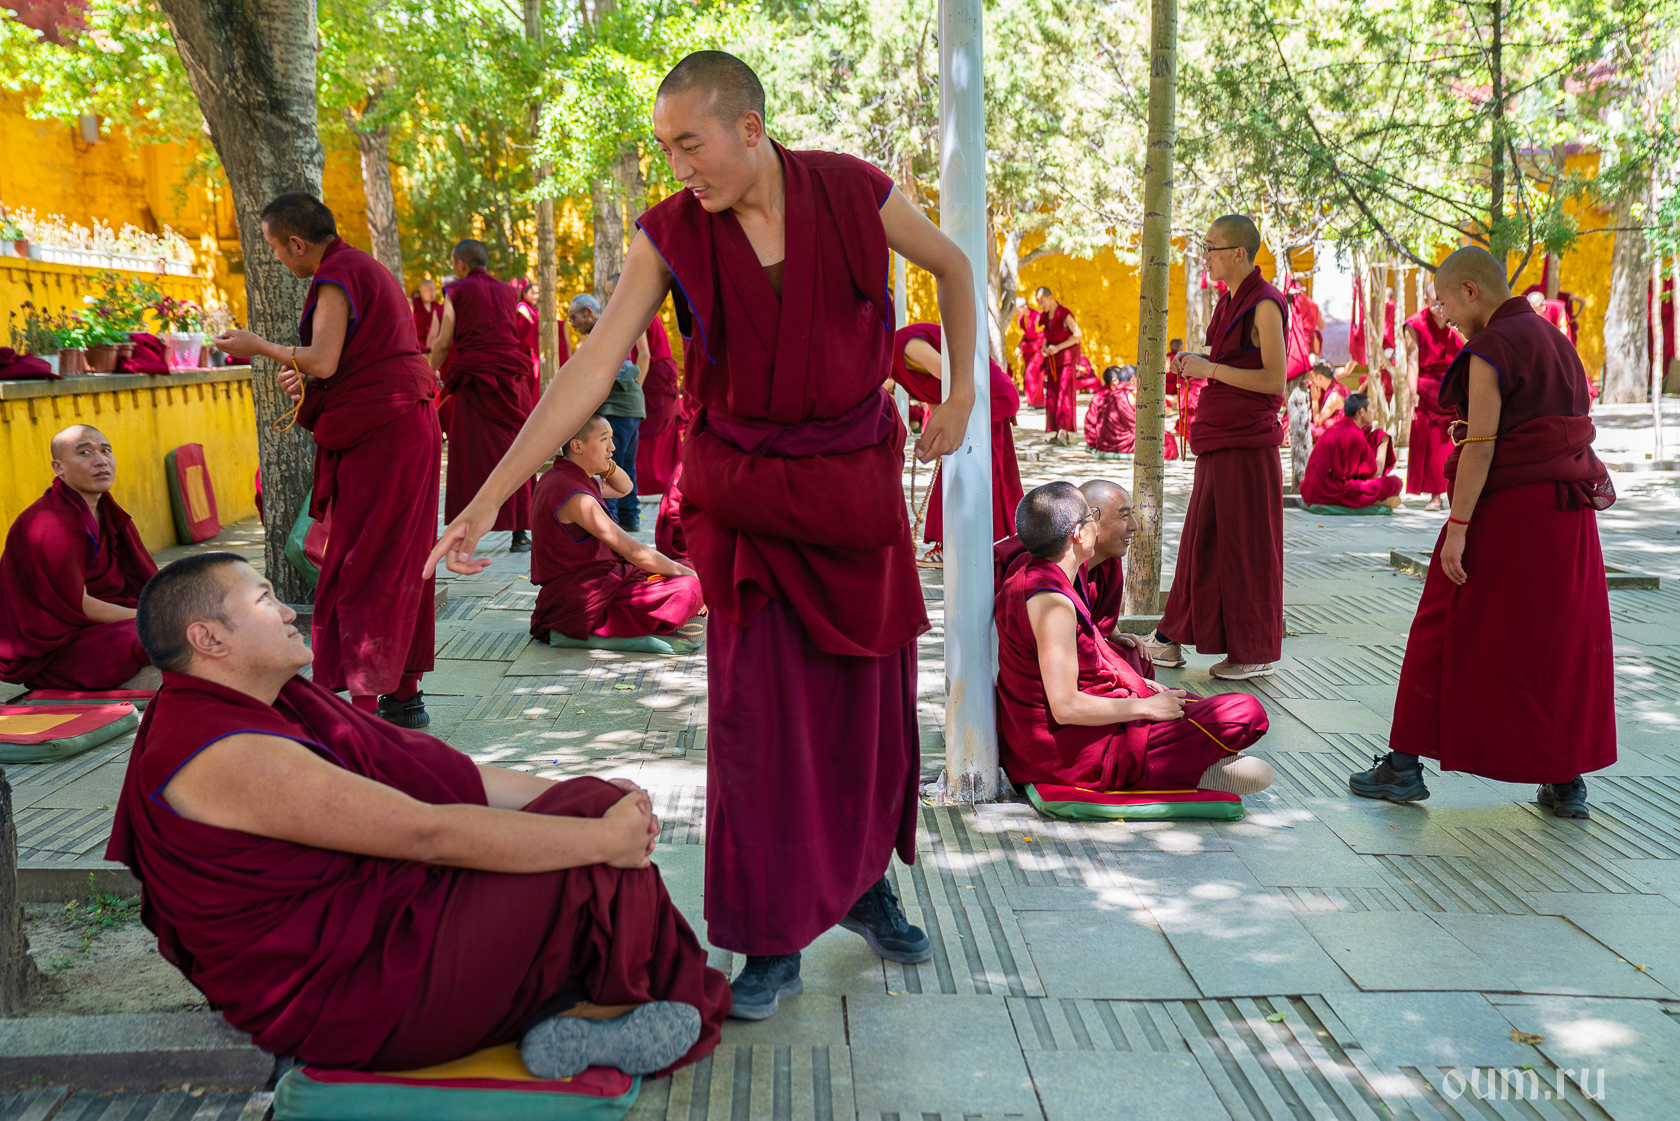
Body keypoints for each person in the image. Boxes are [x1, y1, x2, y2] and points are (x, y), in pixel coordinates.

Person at [428, 50, 982, 1022]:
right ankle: (770, 936)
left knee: (865, 712)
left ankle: (862, 883)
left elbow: (953, 264)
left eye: (690, 144)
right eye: (666, 149)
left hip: (852, 487)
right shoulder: (672, 234)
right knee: (758, 724)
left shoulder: (852, 189)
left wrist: (964, 388)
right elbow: (589, 369)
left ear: (750, 128)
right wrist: (486, 497)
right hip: (750, 495)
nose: (679, 167)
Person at [107, 553, 728, 1076]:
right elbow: (426, 833)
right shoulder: (224, 751)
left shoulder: (275, 701)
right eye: (266, 599)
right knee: (591, 851)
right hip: (357, 993)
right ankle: (608, 1007)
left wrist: (585, 795)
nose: (291, 611)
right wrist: (602, 842)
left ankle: (575, 1005)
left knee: (591, 805)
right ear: (208, 639)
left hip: (382, 916)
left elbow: (447, 780)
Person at [1350, 246, 1615, 817]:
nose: (1444, 317)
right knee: (1556, 640)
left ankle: (1402, 768)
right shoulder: (1559, 343)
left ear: (1471, 290)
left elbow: (1481, 445)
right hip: (1567, 520)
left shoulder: (1490, 348)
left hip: (1506, 513)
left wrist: (1459, 527)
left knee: (1441, 625)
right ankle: (1566, 781)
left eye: (1445, 302)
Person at [214, 193, 440, 728]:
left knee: (363, 561)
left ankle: (362, 708)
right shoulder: (362, 266)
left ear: (297, 243)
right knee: (400, 556)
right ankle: (403, 696)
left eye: (274, 248)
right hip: (403, 421)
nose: (276, 259)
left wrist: (258, 346)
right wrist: (311, 384)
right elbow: (350, 363)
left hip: (385, 434)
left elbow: (324, 359)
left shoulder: (337, 275)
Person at [995, 483, 1274, 796]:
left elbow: (1092, 647)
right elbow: (1065, 707)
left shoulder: (1046, 580)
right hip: (1072, 749)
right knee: (1246, 713)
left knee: (1180, 698)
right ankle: (1161, 769)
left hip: (1073, 733)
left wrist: (1135, 687)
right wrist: (1145, 708)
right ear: (1079, 533)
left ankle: (1175, 763)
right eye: (1091, 517)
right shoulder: (1052, 602)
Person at [1141, 214, 1287, 682]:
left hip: (1247, 445)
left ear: (1238, 253)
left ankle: (1253, 650)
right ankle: (1170, 637)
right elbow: (1231, 361)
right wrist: (1198, 360)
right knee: (1203, 540)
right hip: (1222, 438)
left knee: (1246, 544)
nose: (1205, 256)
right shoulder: (1228, 302)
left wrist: (1211, 371)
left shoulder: (1265, 304)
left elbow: (1275, 379)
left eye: (1211, 248)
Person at [0, 425, 159, 691]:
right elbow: (79, 604)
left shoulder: (107, 511)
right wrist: (149, 616)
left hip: (102, 625)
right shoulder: (49, 523)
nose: (101, 461)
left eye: (106, 451)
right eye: (85, 453)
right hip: (58, 644)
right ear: (58, 468)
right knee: (160, 633)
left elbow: (141, 579)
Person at [531, 415, 703, 652]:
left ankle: (661, 625)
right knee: (689, 586)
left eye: (611, 439)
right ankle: (586, 634)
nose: (612, 447)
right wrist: (693, 577)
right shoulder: (574, 495)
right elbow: (632, 551)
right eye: (604, 439)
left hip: (602, 581)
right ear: (577, 445)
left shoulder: (568, 476)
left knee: (683, 567)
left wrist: (606, 463)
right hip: (578, 598)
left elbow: (625, 488)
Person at [430, 240, 535, 553]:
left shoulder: (456, 290)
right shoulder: (509, 292)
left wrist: (426, 372)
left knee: (470, 457)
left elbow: (443, 341)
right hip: (511, 382)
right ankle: (520, 532)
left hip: (477, 381)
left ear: (460, 264)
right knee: (514, 450)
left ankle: (462, 532)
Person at [888, 321, 1023, 548]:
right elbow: (934, 394)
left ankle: (963, 544)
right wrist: (934, 438)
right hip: (968, 398)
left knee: (976, 467)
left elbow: (952, 378)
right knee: (952, 465)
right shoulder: (894, 363)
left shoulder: (905, 345)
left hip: (982, 395)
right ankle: (955, 544)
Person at [568, 294, 646, 531]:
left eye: (574, 317)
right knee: (626, 463)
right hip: (630, 407)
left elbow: (599, 375)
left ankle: (609, 520)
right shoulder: (607, 329)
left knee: (607, 463)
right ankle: (629, 517)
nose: (572, 323)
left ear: (589, 312)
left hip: (619, 407)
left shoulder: (603, 332)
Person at [605, 273, 684, 498]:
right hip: (654, 373)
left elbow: (644, 356)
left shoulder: (635, 309)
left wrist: (634, 389)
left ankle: (659, 482)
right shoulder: (636, 307)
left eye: (612, 293)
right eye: (608, 294)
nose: (610, 299)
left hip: (653, 375)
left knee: (647, 429)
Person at [1403, 285, 1463, 509]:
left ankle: (1459, 494)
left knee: (1456, 442)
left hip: (1454, 386)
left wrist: (1454, 325)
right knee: (1432, 446)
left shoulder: (1458, 318)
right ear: (1425, 300)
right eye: (1434, 305)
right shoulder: (1415, 324)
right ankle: (1435, 496)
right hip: (1427, 391)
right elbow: (1411, 360)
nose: (1438, 310)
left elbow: (1471, 344)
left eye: (1442, 304)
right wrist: (1412, 394)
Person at [1300, 393, 1402, 510]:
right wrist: (1383, 442)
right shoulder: (1355, 435)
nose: (1374, 411)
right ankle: (1375, 501)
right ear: (1361, 412)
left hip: (1311, 491)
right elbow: (1375, 474)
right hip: (1332, 493)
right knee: (1395, 483)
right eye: (1371, 408)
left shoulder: (1333, 429)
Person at [1083, 365, 1180, 459]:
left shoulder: (1112, 393)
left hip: (1104, 442)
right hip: (1124, 442)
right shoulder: (1133, 393)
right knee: (1168, 440)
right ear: (1133, 378)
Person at [1035, 286, 1082, 442]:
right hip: (1053, 360)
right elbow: (1048, 336)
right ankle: (1057, 431)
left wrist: (1058, 348)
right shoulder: (1046, 316)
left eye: (1042, 301)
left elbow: (1078, 335)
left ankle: (1064, 431)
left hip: (1066, 359)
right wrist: (1045, 347)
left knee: (1064, 393)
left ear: (1050, 298)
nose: (1041, 305)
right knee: (1053, 395)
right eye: (1038, 302)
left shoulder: (1064, 313)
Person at [1284, 277, 1323, 381]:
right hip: (1313, 339)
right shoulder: (1313, 303)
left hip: (1298, 339)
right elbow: (1322, 326)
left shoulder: (1294, 303)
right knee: (1313, 367)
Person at [1016, 295, 1046, 409]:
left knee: (1032, 373)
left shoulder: (1037, 317)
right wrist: (1019, 346)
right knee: (1032, 374)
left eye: (1018, 309)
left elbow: (1043, 336)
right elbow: (1025, 334)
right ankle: (1034, 402)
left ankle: (1036, 401)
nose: (1016, 311)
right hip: (1029, 350)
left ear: (1025, 307)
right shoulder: (1021, 319)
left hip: (1039, 349)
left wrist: (1029, 347)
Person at [1307, 361, 1346, 439]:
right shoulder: (1328, 387)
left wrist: (1315, 400)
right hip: (1331, 427)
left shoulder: (1334, 396)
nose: (1312, 381)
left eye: (1313, 377)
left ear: (1320, 377)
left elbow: (1318, 421)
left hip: (1339, 432)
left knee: (1304, 428)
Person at [412, 278, 444, 351]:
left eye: (434, 290)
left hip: (434, 343)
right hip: (416, 344)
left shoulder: (436, 306)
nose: (433, 293)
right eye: (430, 290)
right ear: (421, 290)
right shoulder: (413, 303)